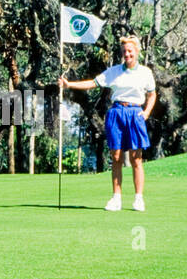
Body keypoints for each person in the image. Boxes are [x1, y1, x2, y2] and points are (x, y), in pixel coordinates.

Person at [58, 35, 157, 211]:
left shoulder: (145, 73)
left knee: (136, 159)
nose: (127, 54)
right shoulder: (114, 71)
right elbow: (93, 83)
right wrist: (69, 85)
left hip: (135, 114)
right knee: (116, 157)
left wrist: (147, 112)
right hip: (117, 113)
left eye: (130, 51)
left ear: (137, 52)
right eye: (124, 51)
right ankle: (116, 198)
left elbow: (152, 94)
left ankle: (138, 198)